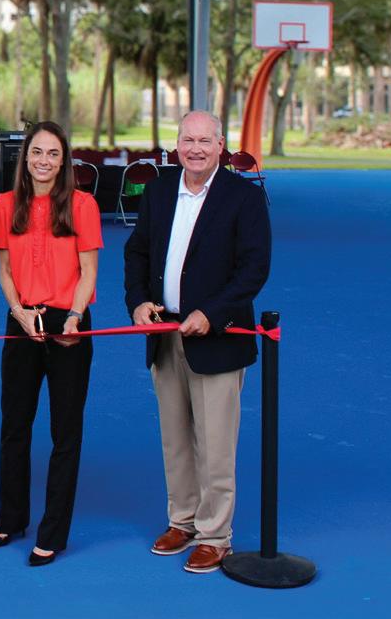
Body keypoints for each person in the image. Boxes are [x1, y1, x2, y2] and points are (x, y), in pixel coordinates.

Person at [125, 110, 271, 575]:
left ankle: (214, 535)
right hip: (163, 334)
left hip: (218, 338)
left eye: (205, 141)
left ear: (221, 146)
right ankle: (182, 521)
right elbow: (137, 252)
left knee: (215, 443)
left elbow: (254, 268)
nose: (195, 149)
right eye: (188, 140)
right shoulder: (159, 190)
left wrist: (212, 313)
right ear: (177, 144)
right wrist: (137, 302)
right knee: (175, 439)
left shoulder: (244, 197)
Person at [0, 121, 101, 567]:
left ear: (64, 160)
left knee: (64, 432)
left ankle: (52, 532)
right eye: (37, 152)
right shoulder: (4, 205)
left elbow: (88, 272)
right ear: (25, 157)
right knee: (14, 424)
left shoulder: (83, 205)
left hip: (69, 321)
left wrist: (73, 317)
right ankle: (10, 518)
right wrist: (17, 312)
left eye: (53, 153)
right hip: (22, 319)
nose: (44, 161)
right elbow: (4, 271)